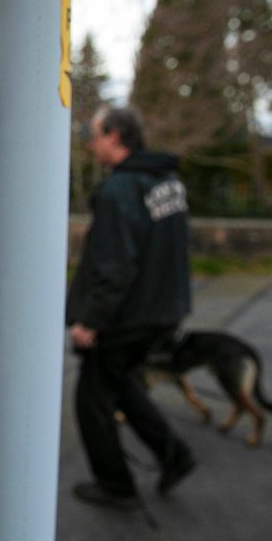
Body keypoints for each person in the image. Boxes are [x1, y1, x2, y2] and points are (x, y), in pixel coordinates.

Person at [67, 105, 196, 511]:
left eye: (96, 134)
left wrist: (91, 320)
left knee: (91, 399)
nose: (91, 143)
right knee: (121, 385)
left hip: (129, 316)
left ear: (116, 137)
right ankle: (175, 456)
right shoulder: (165, 181)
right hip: (164, 309)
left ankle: (116, 485)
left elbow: (116, 264)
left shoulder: (120, 190)